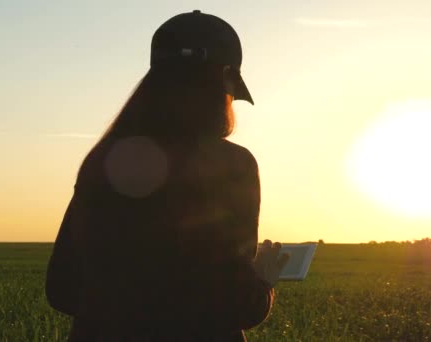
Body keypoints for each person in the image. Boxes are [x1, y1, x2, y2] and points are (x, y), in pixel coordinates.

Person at [46, 10, 290, 342]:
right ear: (224, 82)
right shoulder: (231, 165)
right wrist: (264, 279)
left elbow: (62, 290)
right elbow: (238, 307)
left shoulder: (103, 160)